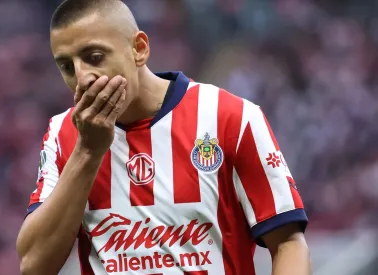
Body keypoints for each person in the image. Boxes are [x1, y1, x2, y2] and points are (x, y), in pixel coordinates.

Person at [16, 0, 311, 274]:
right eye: (67, 66)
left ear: (139, 48)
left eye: (94, 57)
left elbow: (288, 243)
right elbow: (34, 265)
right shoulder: (62, 134)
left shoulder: (231, 117)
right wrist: (87, 152)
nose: (82, 78)